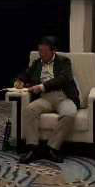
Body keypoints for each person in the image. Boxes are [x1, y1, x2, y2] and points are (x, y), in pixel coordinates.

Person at [15, 36, 80, 165]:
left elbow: (63, 78)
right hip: (45, 98)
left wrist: (42, 86)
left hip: (63, 97)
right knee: (29, 110)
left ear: (53, 51)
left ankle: (51, 149)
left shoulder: (64, 62)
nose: (42, 54)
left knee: (69, 114)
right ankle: (32, 149)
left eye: (45, 51)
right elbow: (26, 74)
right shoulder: (37, 63)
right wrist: (20, 80)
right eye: (40, 51)